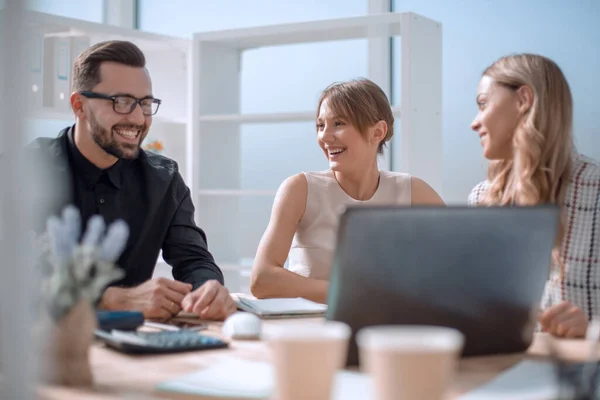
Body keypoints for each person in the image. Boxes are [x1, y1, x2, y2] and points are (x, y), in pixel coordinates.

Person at [26, 40, 237, 321]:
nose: (138, 118)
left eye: (146, 103)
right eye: (122, 102)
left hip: (135, 349)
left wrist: (208, 290)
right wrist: (111, 299)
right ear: (79, 105)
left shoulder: (165, 179)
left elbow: (194, 260)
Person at [250, 78, 445, 304]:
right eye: (320, 125)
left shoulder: (414, 192)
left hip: (387, 326)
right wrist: (349, 292)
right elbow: (261, 280)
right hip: (311, 327)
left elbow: (457, 269)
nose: (324, 136)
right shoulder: (299, 189)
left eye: (339, 123)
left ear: (378, 132)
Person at [468, 53, 600, 338]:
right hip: (499, 373)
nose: (474, 123)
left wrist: (591, 330)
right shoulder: (481, 198)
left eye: (483, 104)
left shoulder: (597, 190)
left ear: (523, 100)